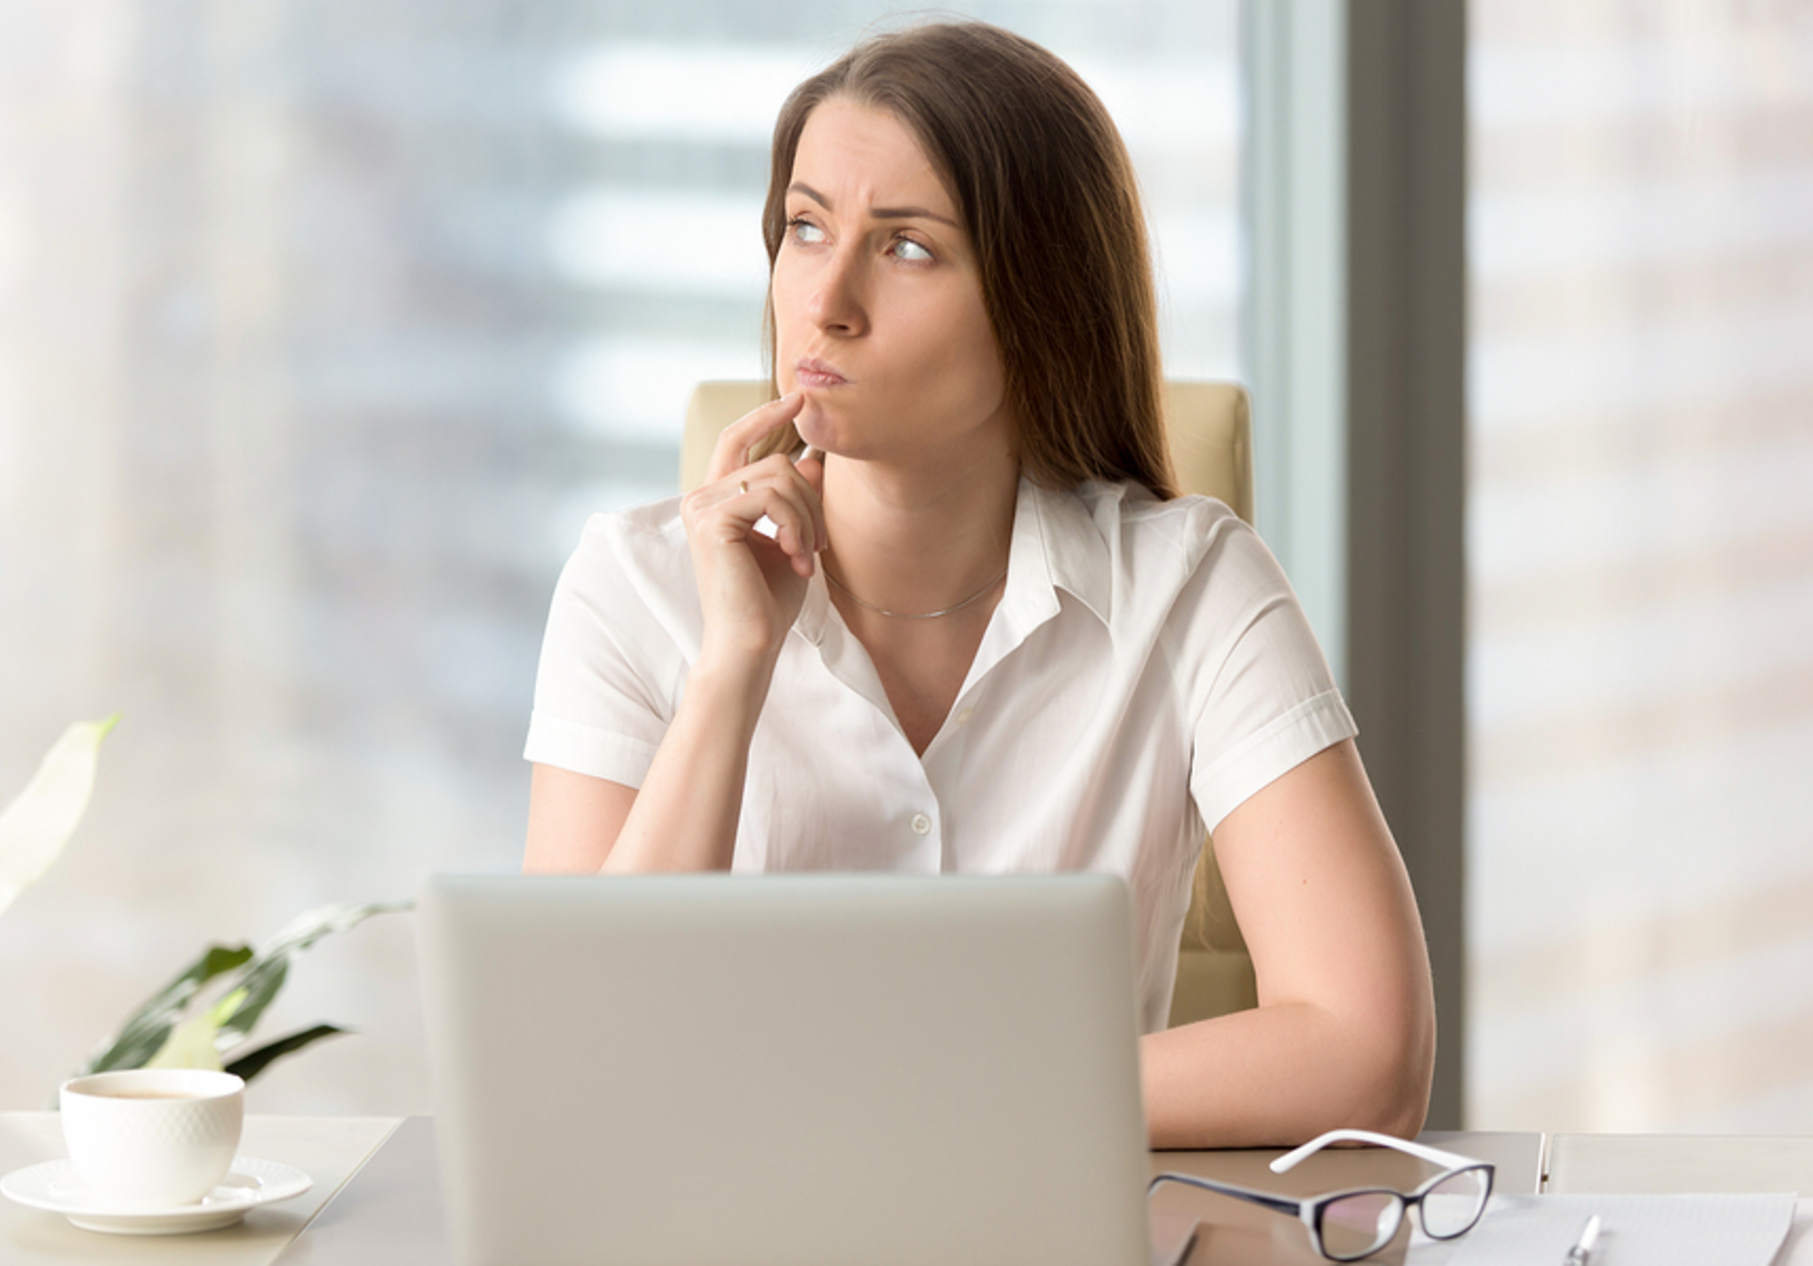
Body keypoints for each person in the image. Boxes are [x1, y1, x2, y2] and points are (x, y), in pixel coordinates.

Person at [521, 20, 1434, 1149]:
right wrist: (732, 670)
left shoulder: (1189, 585)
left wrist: (928, 1110)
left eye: (905, 247)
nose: (825, 301)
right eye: (805, 228)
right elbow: (573, 1071)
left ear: (1038, 301)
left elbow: (1368, 1053)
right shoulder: (631, 586)